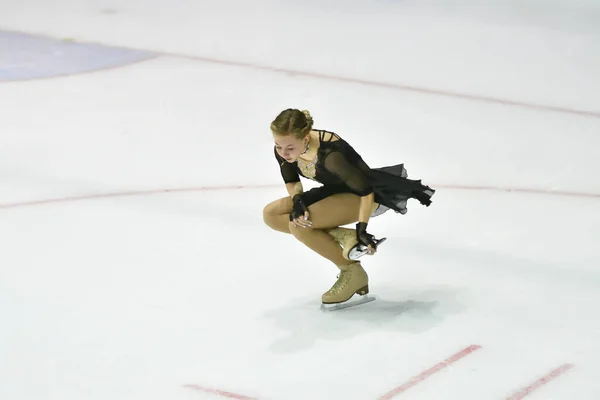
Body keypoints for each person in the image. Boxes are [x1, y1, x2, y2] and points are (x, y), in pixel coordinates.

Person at [263, 108, 435, 305]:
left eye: (289, 148)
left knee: (298, 225)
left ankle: (351, 272)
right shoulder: (286, 146)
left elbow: (365, 191)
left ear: (305, 138)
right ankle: (343, 235)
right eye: (278, 146)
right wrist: (297, 200)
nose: (283, 153)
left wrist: (361, 228)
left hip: (366, 196)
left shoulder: (330, 154)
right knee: (272, 214)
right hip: (336, 191)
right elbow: (291, 179)